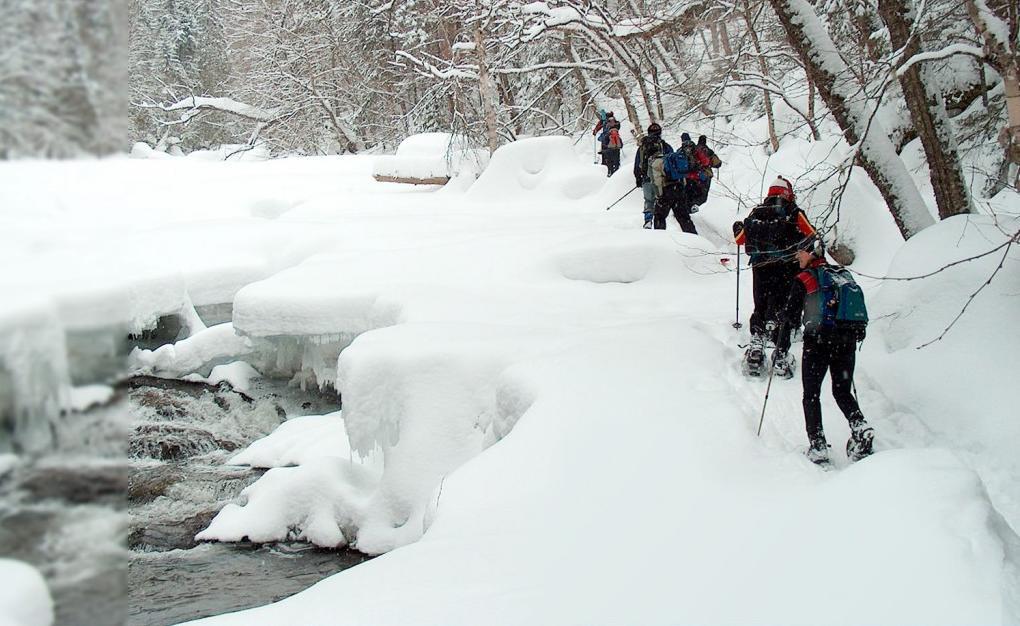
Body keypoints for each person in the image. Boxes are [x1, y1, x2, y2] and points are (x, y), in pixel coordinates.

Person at [779, 236, 875, 465]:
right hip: (846, 340)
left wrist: (782, 348)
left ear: (811, 253)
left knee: (811, 395)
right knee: (842, 391)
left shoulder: (804, 279)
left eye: (800, 252)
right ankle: (860, 428)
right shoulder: (841, 275)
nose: (797, 256)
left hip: (818, 342)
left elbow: (789, 318)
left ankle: (818, 445)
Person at [732, 176, 815, 377]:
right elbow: (811, 237)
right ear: (788, 193)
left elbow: (740, 239)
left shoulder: (757, 213)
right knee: (784, 309)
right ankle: (780, 354)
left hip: (760, 267)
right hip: (787, 268)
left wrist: (737, 227)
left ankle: (756, 347)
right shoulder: (793, 213)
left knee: (760, 305)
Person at [633, 123, 673, 229]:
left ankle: (648, 220)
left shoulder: (642, 147)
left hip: (646, 177)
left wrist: (638, 178)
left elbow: (637, 163)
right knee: (660, 199)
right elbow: (671, 161)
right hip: (662, 178)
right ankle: (659, 223)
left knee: (649, 200)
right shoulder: (665, 146)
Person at [692, 135, 722, 206]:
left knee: (693, 193)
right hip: (706, 174)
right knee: (703, 197)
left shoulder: (693, 149)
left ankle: (689, 206)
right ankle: (693, 206)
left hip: (693, 175)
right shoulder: (707, 150)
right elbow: (717, 163)